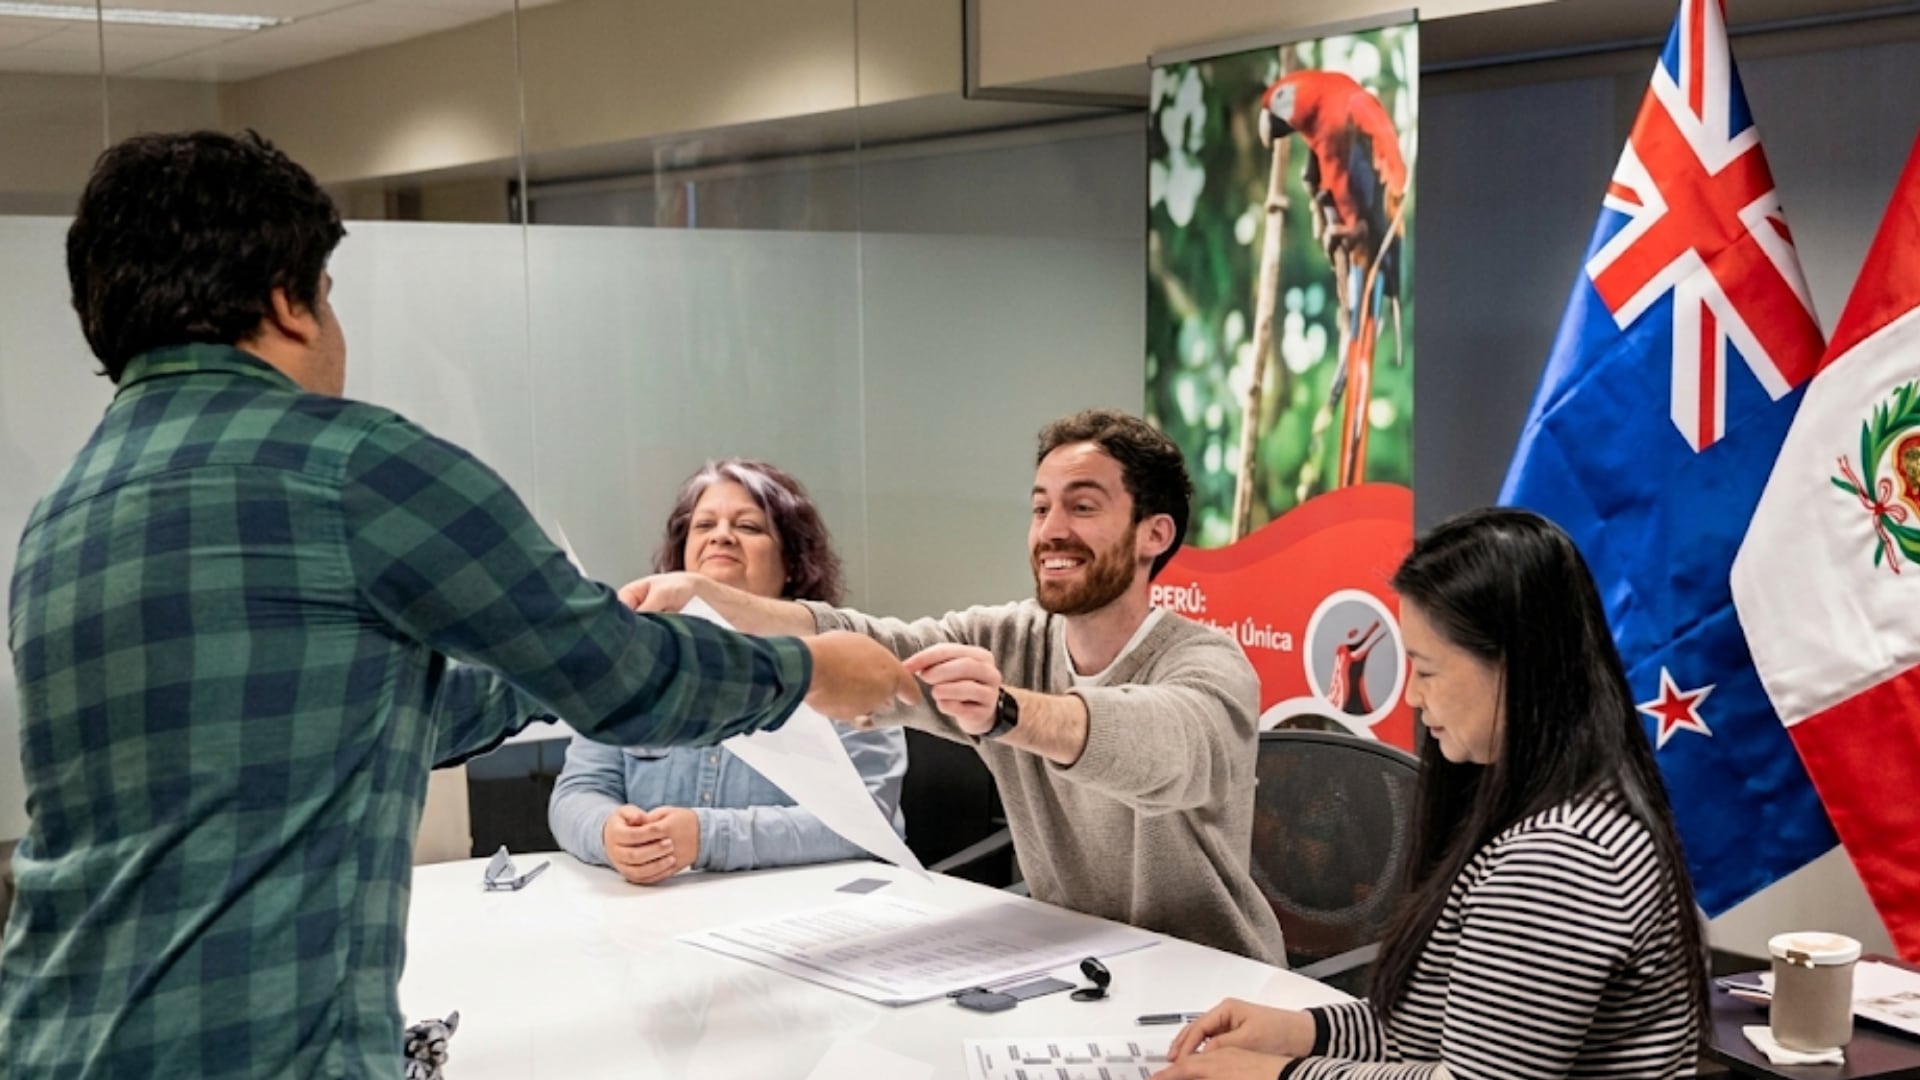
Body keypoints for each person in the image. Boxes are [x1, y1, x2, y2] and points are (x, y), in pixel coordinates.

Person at [0, 130, 916, 1080]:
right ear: (288, 298)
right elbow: (625, 678)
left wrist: (529, 677)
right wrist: (808, 670)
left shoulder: (63, 516)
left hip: (52, 1038)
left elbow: (345, 722)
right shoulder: (353, 468)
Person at [625, 409, 1286, 963]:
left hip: (1214, 984)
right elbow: (866, 638)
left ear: (1155, 534)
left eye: (1082, 507)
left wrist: (1006, 712)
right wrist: (705, 595)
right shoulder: (1011, 636)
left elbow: (1157, 746)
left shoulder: (1210, 664)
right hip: (1081, 963)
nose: (1052, 529)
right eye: (1039, 507)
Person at [1154, 508, 1708, 1080]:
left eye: (1428, 670)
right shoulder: (1558, 804)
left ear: (1513, 667)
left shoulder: (1561, 858)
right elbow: (1439, 1031)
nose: (1414, 698)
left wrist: (1275, 1075)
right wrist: (1301, 1031)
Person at [549, 459, 908, 881]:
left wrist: (707, 837)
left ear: (792, 562)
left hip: (805, 917)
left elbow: (867, 824)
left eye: (749, 527)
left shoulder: (840, 666)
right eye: (704, 526)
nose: (721, 535)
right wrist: (609, 832)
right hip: (656, 916)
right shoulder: (635, 661)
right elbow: (577, 792)